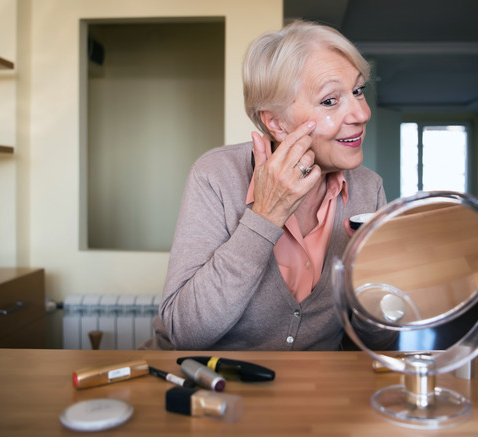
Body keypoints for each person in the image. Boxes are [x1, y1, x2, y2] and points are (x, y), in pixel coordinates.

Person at [141, 20, 394, 350]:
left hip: (311, 392)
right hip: (206, 385)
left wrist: (376, 278)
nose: (362, 113)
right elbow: (185, 332)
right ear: (276, 123)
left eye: (358, 91)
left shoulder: (368, 189)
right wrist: (265, 216)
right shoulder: (216, 176)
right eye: (331, 100)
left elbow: (378, 341)